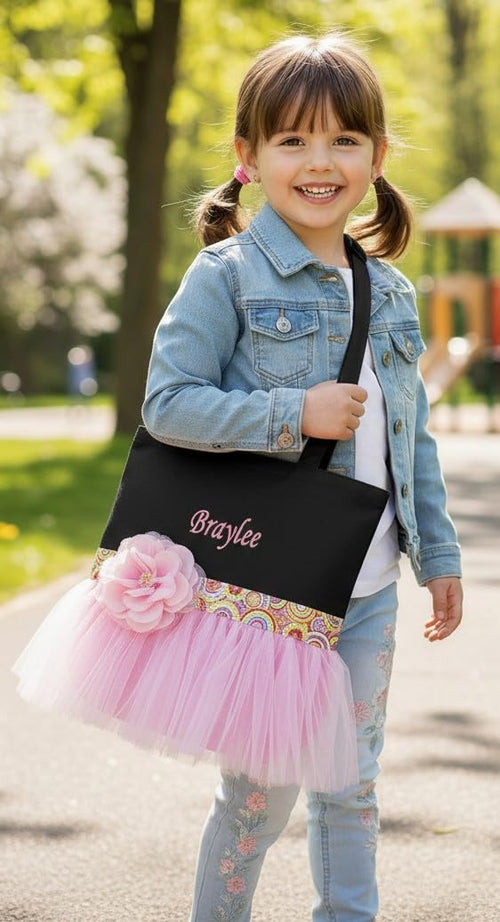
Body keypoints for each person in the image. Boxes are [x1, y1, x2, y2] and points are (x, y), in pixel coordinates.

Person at [140, 32, 463, 922]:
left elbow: (412, 437)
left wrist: (439, 553)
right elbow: (167, 405)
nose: (319, 162)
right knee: (257, 800)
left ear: (376, 156)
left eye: (343, 141)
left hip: (367, 592)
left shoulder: (390, 290)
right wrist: (293, 415)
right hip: (267, 590)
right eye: (292, 141)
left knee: (351, 787)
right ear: (247, 157)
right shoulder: (227, 277)